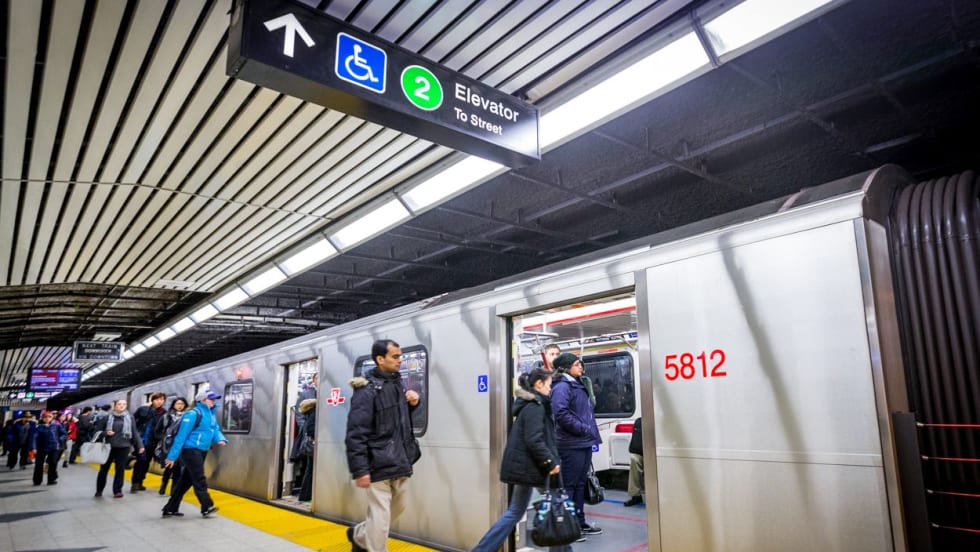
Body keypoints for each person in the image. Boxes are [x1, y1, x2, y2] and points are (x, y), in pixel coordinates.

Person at [472, 368, 568, 552]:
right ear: (538, 384)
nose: (551, 389)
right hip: (535, 468)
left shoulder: (529, 405)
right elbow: (534, 440)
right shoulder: (535, 407)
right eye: (549, 385)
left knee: (516, 512)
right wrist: (551, 462)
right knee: (556, 509)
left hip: (526, 468)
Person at [345, 339, 421, 552]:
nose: (400, 360)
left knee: (398, 507)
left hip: (401, 459)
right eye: (395, 356)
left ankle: (359, 534)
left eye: (400, 356)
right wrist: (360, 470)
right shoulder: (367, 390)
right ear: (380, 359)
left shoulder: (396, 384)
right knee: (380, 517)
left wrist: (413, 404)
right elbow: (356, 433)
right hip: (378, 461)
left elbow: (397, 421)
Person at [551, 353, 603, 538]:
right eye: (576, 364)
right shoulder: (562, 387)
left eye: (580, 363)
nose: (581, 366)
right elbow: (561, 413)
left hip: (583, 441)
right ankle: (568, 527)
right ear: (566, 367)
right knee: (570, 486)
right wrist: (582, 428)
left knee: (580, 484)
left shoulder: (578, 384)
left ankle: (579, 523)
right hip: (571, 443)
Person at [162, 391, 228, 518]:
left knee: (185, 482)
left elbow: (214, 429)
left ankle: (170, 508)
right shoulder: (192, 414)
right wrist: (172, 456)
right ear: (202, 400)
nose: (213, 401)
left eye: (214, 399)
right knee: (199, 478)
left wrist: (220, 438)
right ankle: (206, 506)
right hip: (190, 450)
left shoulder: (211, 413)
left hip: (202, 450)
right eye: (211, 399)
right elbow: (181, 436)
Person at [94, 399, 144, 498]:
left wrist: (140, 445)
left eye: (124, 404)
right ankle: (99, 490)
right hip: (108, 446)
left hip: (124, 447)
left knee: (120, 469)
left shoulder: (130, 417)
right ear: (115, 406)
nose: (122, 406)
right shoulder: (107, 417)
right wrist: (105, 433)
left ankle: (117, 491)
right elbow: (97, 431)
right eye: (119, 404)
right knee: (104, 469)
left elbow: (134, 432)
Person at [131, 392, 167, 492]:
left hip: (152, 442)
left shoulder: (164, 413)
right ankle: (135, 483)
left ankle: (140, 482)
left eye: (162, 399)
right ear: (152, 400)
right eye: (157, 399)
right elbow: (133, 421)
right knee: (140, 461)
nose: (159, 402)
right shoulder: (143, 409)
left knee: (146, 462)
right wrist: (134, 435)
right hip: (140, 440)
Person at [155, 397, 188, 496]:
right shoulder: (166, 417)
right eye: (178, 403)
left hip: (181, 446)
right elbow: (157, 431)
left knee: (178, 469)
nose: (180, 406)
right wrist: (164, 438)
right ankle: (164, 485)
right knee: (169, 467)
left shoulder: (187, 417)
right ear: (173, 405)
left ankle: (173, 490)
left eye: (182, 404)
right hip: (168, 446)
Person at [297, 397, 317, 501]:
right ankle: (305, 495)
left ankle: (305, 495)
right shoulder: (314, 414)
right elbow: (311, 430)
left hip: (310, 447)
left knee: (309, 470)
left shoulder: (308, 414)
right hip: (313, 447)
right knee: (310, 471)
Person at [624, 417, 644, 507]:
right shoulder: (640, 421)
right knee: (634, 459)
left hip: (657, 453)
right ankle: (636, 495)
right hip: (643, 453)